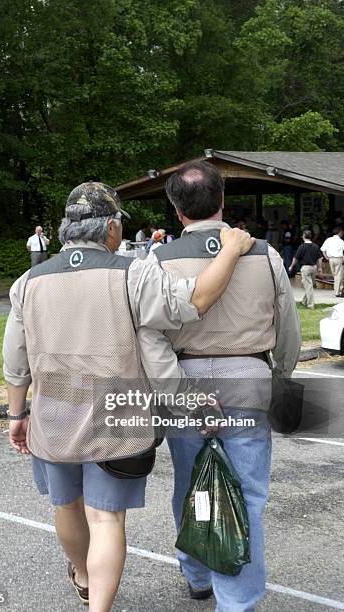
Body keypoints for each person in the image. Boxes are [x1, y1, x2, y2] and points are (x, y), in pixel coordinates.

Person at [3, 181, 254, 612]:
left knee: (66, 505)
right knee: (106, 519)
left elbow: (15, 358)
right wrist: (230, 250)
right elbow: (194, 300)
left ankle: (82, 575)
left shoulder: (28, 282)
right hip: (117, 418)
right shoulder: (132, 274)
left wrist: (15, 414)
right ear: (112, 227)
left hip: (53, 415)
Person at [138, 162, 301, 609]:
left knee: (193, 486)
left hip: (185, 381)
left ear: (176, 210)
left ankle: (197, 570)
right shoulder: (264, 254)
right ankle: (237, 598)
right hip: (249, 379)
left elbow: (149, 335)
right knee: (248, 496)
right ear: (223, 201)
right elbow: (287, 327)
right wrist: (282, 376)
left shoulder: (157, 260)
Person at [289, 230, 323, 309]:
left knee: (308, 287)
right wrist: (320, 268)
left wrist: (291, 266)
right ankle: (304, 301)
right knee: (310, 286)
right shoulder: (315, 246)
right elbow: (320, 258)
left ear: (304, 236)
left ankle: (310, 305)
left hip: (306, 268)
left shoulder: (302, 247)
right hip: (314, 268)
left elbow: (296, 258)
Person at [321, 226, 344, 297]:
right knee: (339, 276)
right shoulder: (341, 241)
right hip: (338, 258)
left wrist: (326, 257)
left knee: (335, 275)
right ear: (339, 232)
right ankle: (337, 292)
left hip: (331, 259)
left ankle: (339, 290)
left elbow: (323, 250)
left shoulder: (328, 240)